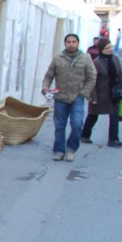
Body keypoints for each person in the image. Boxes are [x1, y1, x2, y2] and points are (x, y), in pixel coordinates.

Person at [42, 33, 96, 162]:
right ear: (65, 43)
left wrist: (84, 93)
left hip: (77, 96)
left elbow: (92, 77)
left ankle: (71, 148)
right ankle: (59, 150)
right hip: (61, 97)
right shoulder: (58, 58)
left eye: (73, 42)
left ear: (78, 43)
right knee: (59, 126)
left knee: (77, 124)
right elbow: (49, 76)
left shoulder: (85, 58)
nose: (71, 44)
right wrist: (45, 87)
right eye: (68, 42)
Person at [81, 37, 122, 147]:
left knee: (114, 115)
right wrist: (93, 97)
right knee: (93, 115)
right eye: (107, 48)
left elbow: (120, 74)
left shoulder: (115, 59)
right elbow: (92, 81)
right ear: (101, 49)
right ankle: (85, 135)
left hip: (113, 93)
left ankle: (113, 139)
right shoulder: (96, 62)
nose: (109, 50)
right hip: (100, 94)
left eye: (110, 47)